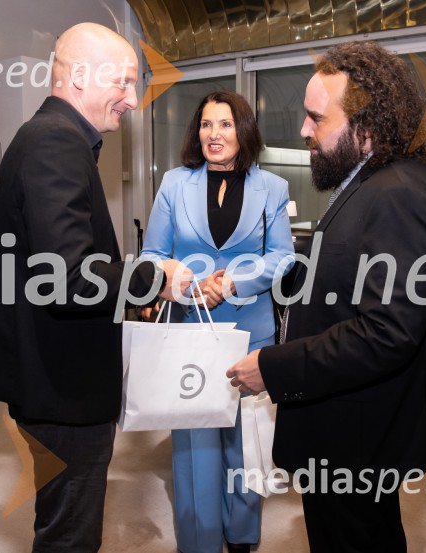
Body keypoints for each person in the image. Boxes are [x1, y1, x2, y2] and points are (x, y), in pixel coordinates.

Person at [226, 41, 426, 552]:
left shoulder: (398, 194)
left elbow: (387, 332)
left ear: (366, 128)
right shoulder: (369, 182)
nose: (304, 131)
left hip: (358, 437)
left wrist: (275, 366)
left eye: (316, 118)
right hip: (348, 426)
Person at [0, 23, 191, 552]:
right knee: (69, 537)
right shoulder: (56, 143)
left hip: (53, 378)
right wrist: (155, 278)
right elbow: (68, 278)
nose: (131, 98)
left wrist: (126, 293)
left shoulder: (53, 138)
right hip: (61, 389)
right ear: (78, 76)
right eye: (120, 82)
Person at [140, 90, 295, 553]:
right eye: (206, 124)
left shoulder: (273, 187)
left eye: (225, 124)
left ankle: (243, 535)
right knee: (194, 443)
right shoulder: (173, 183)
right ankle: (200, 540)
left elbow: (282, 259)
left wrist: (229, 283)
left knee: (246, 440)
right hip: (191, 327)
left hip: (251, 329)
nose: (214, 134)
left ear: (242, 130)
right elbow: (152, 255)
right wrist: (187, 282)